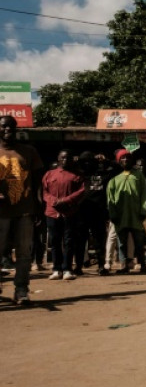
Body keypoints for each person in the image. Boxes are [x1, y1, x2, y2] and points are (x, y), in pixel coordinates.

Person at [0, 115, 44, 304]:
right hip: (0, 212)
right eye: (3, 127)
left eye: (11, 127)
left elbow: (37, 182)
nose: (7, 130)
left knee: (24, 253)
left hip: (25, 209)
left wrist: (39, 207)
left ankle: (21, 290)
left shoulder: (28, 151)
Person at [42, 149, 86, 280]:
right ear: (58, 159)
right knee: (54, 241)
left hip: (69, 212)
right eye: (63, 158)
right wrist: (53, 201)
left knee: (69, 241)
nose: (65, 160)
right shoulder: (49, 174)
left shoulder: (77, 175)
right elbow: (44, 191)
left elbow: (81, 191)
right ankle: (56, 269)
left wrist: (65, 201)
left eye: (68, 158)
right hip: (52, 212)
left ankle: (67, 268)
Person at [107, 149, 146, 274]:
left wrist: (143, 210)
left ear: (131, 160)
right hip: (120, 216)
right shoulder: (114, 179)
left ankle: (142, 264)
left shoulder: (138, 175)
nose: (125, 160)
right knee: (122, 243)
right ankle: (124, 266)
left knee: (138, 241)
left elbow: (144, 194)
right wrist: (113, 214)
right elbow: (110, 198)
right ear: (119, 161)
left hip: (136, 215)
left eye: (127, 157)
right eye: (122, 158)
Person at [78, 152, 118, 276]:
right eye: (84, 162)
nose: (87, 164)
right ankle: (78, 266)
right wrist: (76, 159)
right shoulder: (79, 174)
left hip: (98, 212)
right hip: (82, 212)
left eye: (90, 161)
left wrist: (106, 160)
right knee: (80, 240)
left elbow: (118, 168)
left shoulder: (103, 174)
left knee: (99, 241)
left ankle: (101, 266)